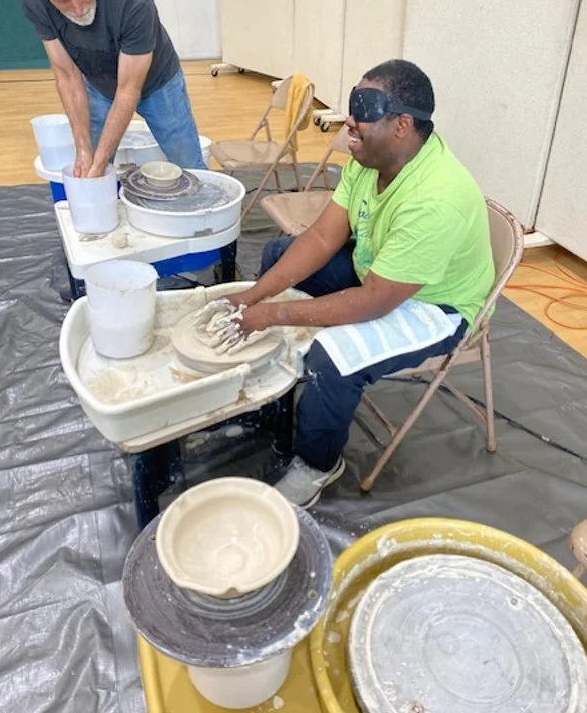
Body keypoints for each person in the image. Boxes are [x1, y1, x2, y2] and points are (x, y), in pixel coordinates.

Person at [202, 59, 495, 508]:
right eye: (353, 103)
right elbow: (321, 237)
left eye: (364, 107)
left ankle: (317, 464)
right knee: (280, 255)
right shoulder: (369, 157)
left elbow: (375, 301)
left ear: (401, 125)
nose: (349, 121)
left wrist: (270, 315)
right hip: (382, 269)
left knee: (332, 357)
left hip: (437, 305)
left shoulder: (436, 200)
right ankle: (272, 384)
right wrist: (253, 295)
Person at [18, 0, 206, 178]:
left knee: (188, 163)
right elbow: (67, 75)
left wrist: (100, 160)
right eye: (63, 2)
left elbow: (128, 89)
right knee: (91, 162)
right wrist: (84, 149)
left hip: (158, 82)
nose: (77, 7)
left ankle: (203, 209)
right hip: (97, 82)